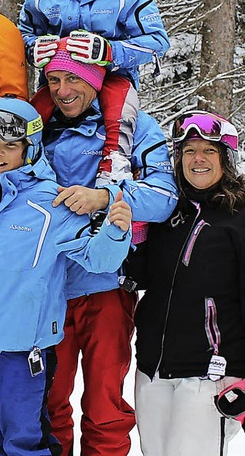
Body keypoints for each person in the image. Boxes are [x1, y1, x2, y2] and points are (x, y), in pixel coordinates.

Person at [0, 97, 132, 456]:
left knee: (25, 445)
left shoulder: (51, 204)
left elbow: (97, 261)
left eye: (10, 145)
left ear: (30, 148)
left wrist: (115, 232)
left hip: (23, 358)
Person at [40, 51, 178, 456]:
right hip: (47, 286)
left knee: (105, 405)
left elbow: (166, 196)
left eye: (74, 80)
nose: (63, 92)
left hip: (109, 287)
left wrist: (106, 196)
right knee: (49, 402)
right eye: (53, 81)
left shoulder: (134, 126)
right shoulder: (36, 126)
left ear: (97, 79)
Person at [19, 0, 170, 186]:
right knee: (32, 114)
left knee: (119, 109)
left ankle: (114, 163)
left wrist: (110, 51)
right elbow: (24, 35)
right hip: (59, 82)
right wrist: (34, 48)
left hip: (114, 79)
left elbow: (157, 42)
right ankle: (28, 165)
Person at [126, 110, 245, 455]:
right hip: (154, 367)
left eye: (209, 150)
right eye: (189, 150)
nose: (198, 159)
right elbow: (142, 277)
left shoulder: (238, 217)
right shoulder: (169, 211)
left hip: (212, 374)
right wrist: (136, 233)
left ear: (226, 158)